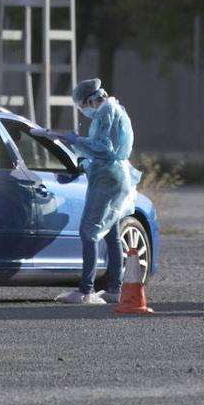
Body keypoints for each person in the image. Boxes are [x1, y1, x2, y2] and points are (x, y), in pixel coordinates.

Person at [53, 78, 142, 306]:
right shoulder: (115, 109)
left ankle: (86, 290)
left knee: (88, 230)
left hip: (107, 177)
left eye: (83, 106)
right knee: (112, 232)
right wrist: (78, 146)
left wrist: (77, 141)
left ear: (91, 100)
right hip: (115, 175)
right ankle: (115, 288)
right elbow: (105, 148)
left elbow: (103, 148)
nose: (84, 112)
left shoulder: (105, 112)